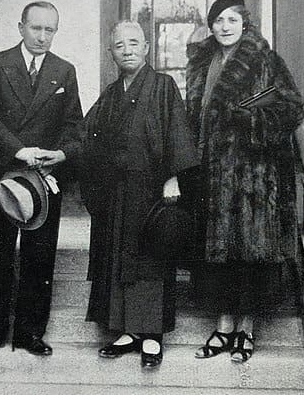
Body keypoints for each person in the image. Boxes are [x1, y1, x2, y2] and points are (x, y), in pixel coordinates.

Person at [185, 0, 304, 363]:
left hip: (254, 173)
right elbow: (194, 116)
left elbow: (291, 109)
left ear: (244, 23)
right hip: (211, 171)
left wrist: (250, 119)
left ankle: (246, 330)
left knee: (249, 252)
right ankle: (222, 327)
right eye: (218, 20)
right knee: (216, 255)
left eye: (232, 20)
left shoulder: (266, 60)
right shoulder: (201, 63)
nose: (224, 27)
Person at [79, 21, 199, 368]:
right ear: (111, 53)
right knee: (117, 258)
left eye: (134, 43)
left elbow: (177, 130)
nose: (127, 49)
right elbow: (88, 136)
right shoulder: (111, 93)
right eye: (119, 45)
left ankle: (151, 336)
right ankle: (126, 331)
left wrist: (173, 177)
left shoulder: (163, 86)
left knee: (148, 259)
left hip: (151, 188)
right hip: (116, 190)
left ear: (147, 47)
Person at [0, 1, 83, 358]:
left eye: (50, 30)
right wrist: (20, 151)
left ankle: (31, 333)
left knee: (40, 257)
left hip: (43, 179)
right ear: (20, 27)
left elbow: (74, 125)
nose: (43, 36)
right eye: (36, 28)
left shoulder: (64, 71)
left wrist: (58, 155)